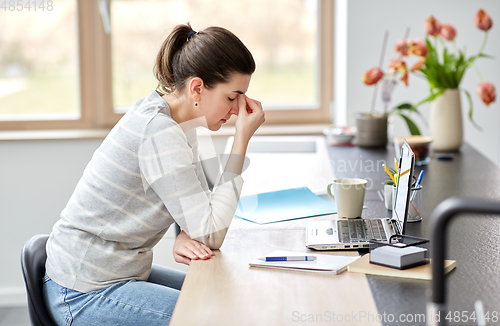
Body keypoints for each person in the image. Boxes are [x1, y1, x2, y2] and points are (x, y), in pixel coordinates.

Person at [42, 23, 265, 326]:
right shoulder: (160, 133)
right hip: (83, 290)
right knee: (213, 317)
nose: (239, 109)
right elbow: (211, 232)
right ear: (197, 88)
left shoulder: (177, 121)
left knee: (222, 296)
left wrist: (187, 231)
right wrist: (241, 141)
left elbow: (199, 213)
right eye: (232, 96)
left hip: (118, 272)